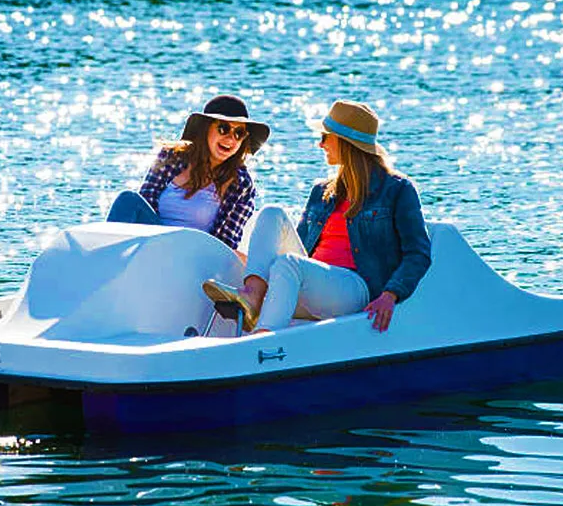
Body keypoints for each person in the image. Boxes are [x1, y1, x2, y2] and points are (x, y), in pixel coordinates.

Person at [203, 100, 431, 333]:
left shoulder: (396, 190)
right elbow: (299, 249)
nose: (320, 144)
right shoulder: (322, 191)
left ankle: (263, 341)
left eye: (325, 137)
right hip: (309, 283)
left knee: (289, 264)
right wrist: (254, 261)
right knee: (272, 213)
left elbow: (418, 253)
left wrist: (390, 295)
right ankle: (252, 296)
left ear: (345, 143)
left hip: (354, 289)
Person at [106, 95, 270, 251]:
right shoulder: (171, 157)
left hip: (192, 255)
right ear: (205, 129)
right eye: (223, 128)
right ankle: (103, 259)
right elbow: (144, 204)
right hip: (152, 242)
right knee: (128, 200)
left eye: (239, 133)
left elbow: (224, 243)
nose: (230, 139)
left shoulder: (241, 183)